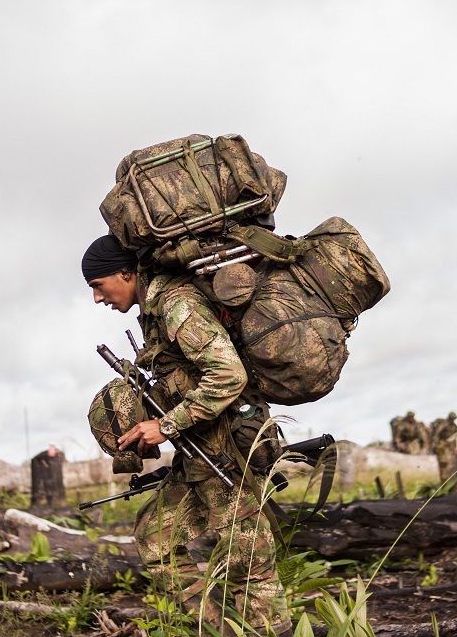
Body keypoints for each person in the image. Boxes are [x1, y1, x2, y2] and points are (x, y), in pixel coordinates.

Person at [82, 234, 290, 636]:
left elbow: (229, 374)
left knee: (249, 568)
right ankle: (220, 628)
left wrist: (165, 424)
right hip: (199, 455)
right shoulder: (155, 314)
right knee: (156, 538)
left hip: (229, 453)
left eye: (97, 285)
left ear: (126, 273)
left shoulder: (178, 305)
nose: (97, 298)